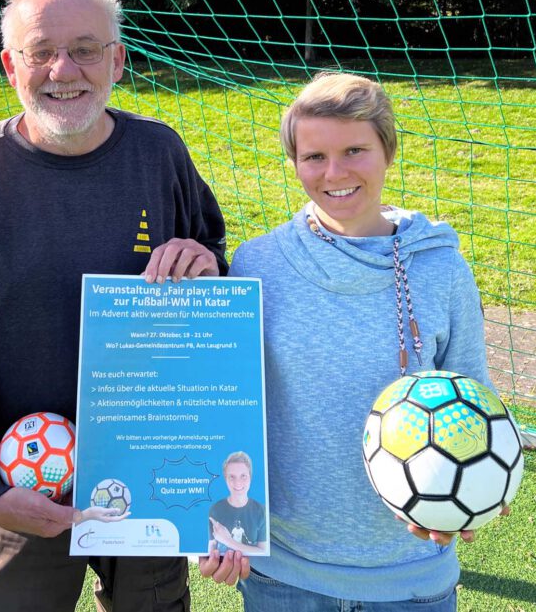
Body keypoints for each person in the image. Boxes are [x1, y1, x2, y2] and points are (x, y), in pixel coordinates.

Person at [0, 0, 235, 612]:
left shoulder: (159, 153)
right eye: (41, 51)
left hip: (149, 469)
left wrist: (206, 264)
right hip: (21, 480)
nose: (64, 69)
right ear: (11, 66)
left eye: (86, 48)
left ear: (117, 60)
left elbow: (215, 290)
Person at [213, 72, 504, 610]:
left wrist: (476, 491)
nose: (335, 172)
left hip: (411, 574)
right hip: (285, 574)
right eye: (313, 157)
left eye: (354, 150)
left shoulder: (441, 268)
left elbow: (475, 398)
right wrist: (215, 523)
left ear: (388, 151)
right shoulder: (258, 264)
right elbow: (225, 409)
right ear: (295, 161)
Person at [207, 452, 268, 556]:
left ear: (250, 478)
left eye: (243, 476)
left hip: (253, 568)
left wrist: (227, 540)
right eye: (232, 477)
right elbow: (212, 545)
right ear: (225, 479)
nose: (238, 483)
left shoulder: (261, 511)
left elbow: (263, 551)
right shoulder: (215, 509)